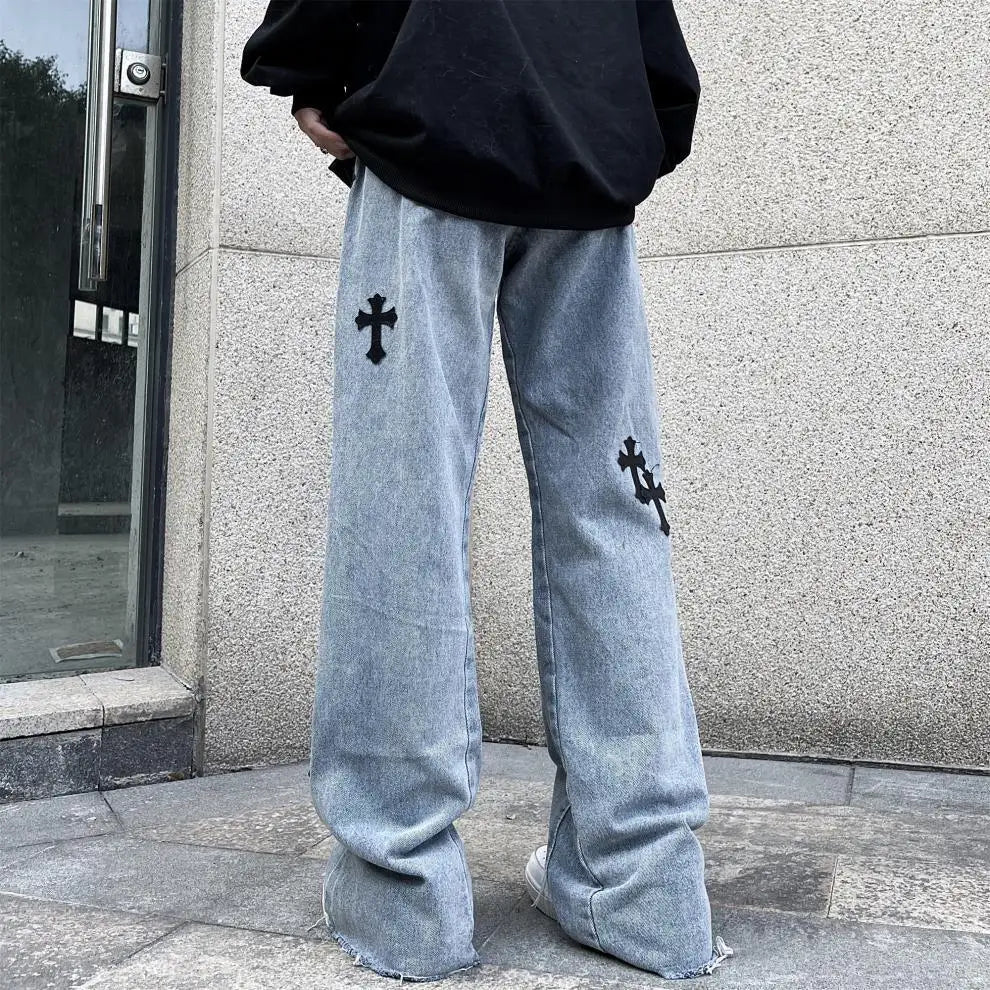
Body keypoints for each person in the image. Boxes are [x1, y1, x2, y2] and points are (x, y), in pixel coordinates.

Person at [241, 1, 733, 983]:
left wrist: (313, 75)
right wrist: (602, 126)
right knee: (614, 517)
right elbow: (663, 75)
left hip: (433, 132)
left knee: (404, 504)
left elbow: (317, 31)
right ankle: (646, 892)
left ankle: (404, 898)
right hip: (585, 162)